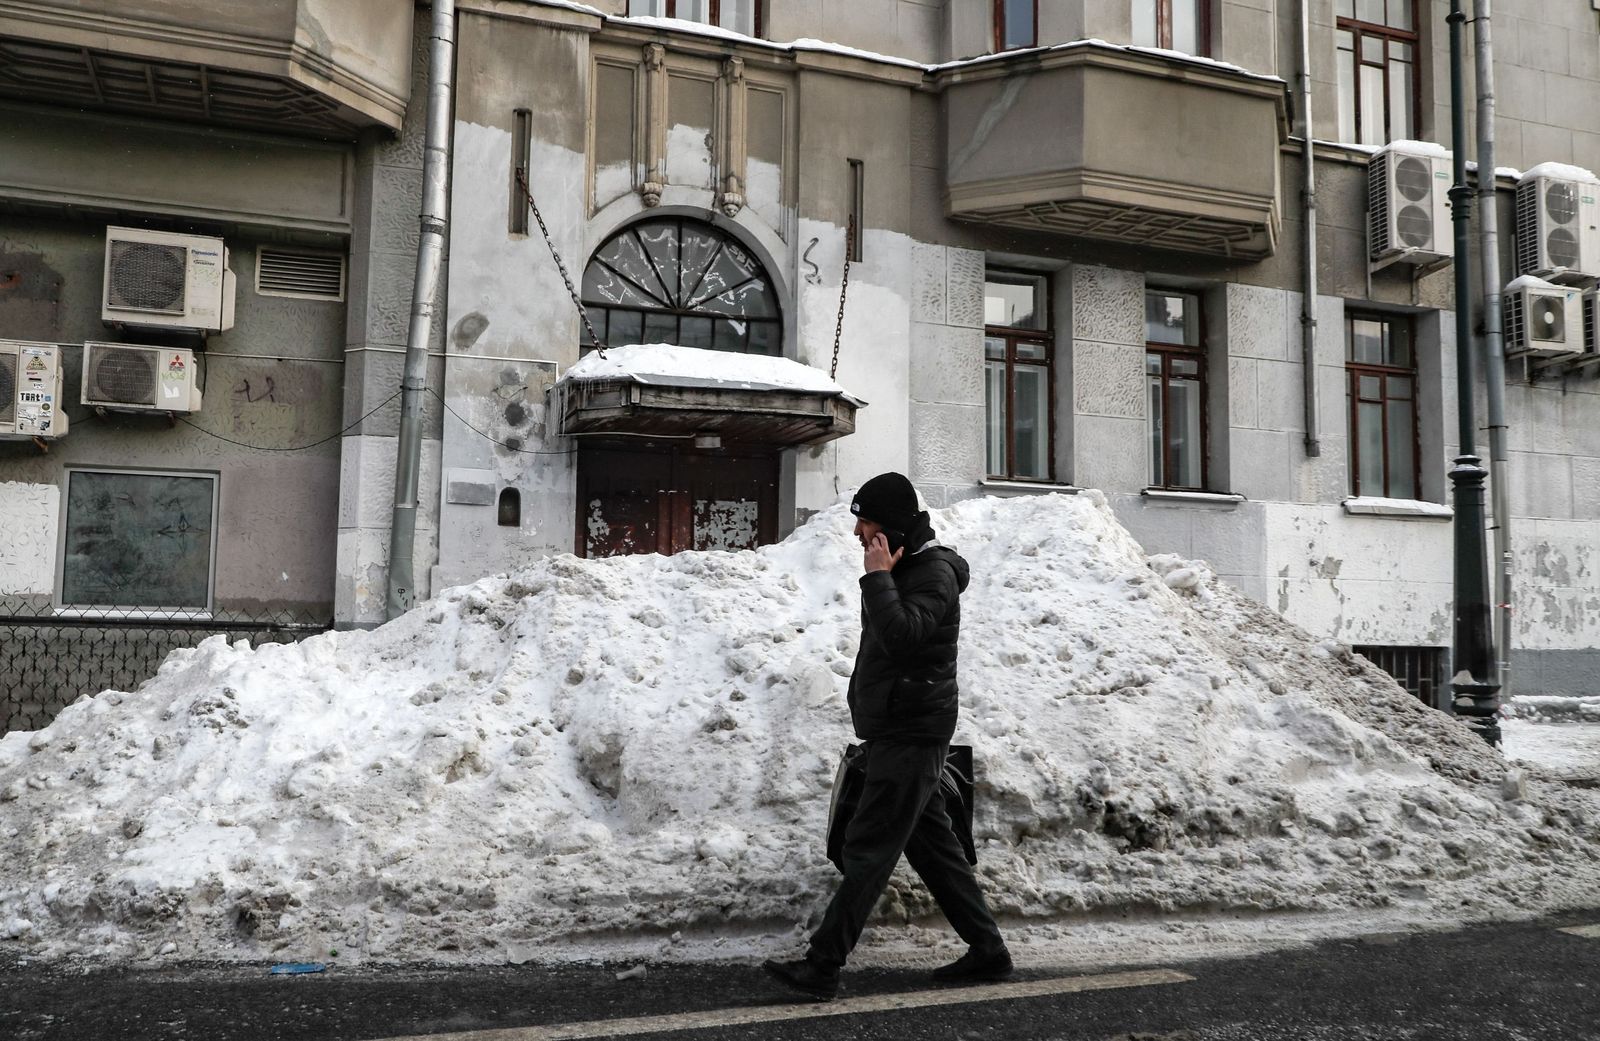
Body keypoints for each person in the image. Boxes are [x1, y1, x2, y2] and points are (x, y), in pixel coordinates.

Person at [763, 472, 1011, 1001]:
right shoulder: (906, 567)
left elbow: (901, 638)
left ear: (892, 527)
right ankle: (989, 952)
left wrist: (878, 578)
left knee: (869, 848)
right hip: (899, 726)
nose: (858, 532)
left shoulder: (934, 574)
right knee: (935, 850)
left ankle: (823, 966)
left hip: (913, 732)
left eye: (867, 521)